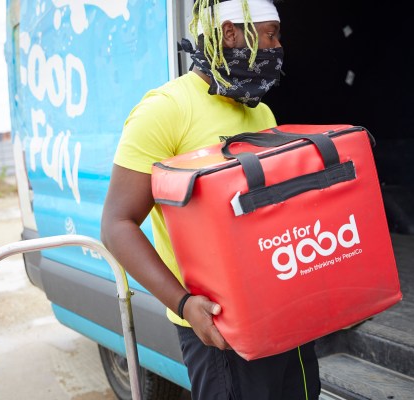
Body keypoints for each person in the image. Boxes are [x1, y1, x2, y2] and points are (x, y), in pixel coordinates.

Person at [101, 0, 321, 399]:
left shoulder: (261, 113)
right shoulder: (166, 110)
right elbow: (117, 225)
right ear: (231, 33)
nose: (278, 47)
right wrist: (184, 304)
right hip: (219, 327)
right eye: (271, 35)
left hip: (282, 310)